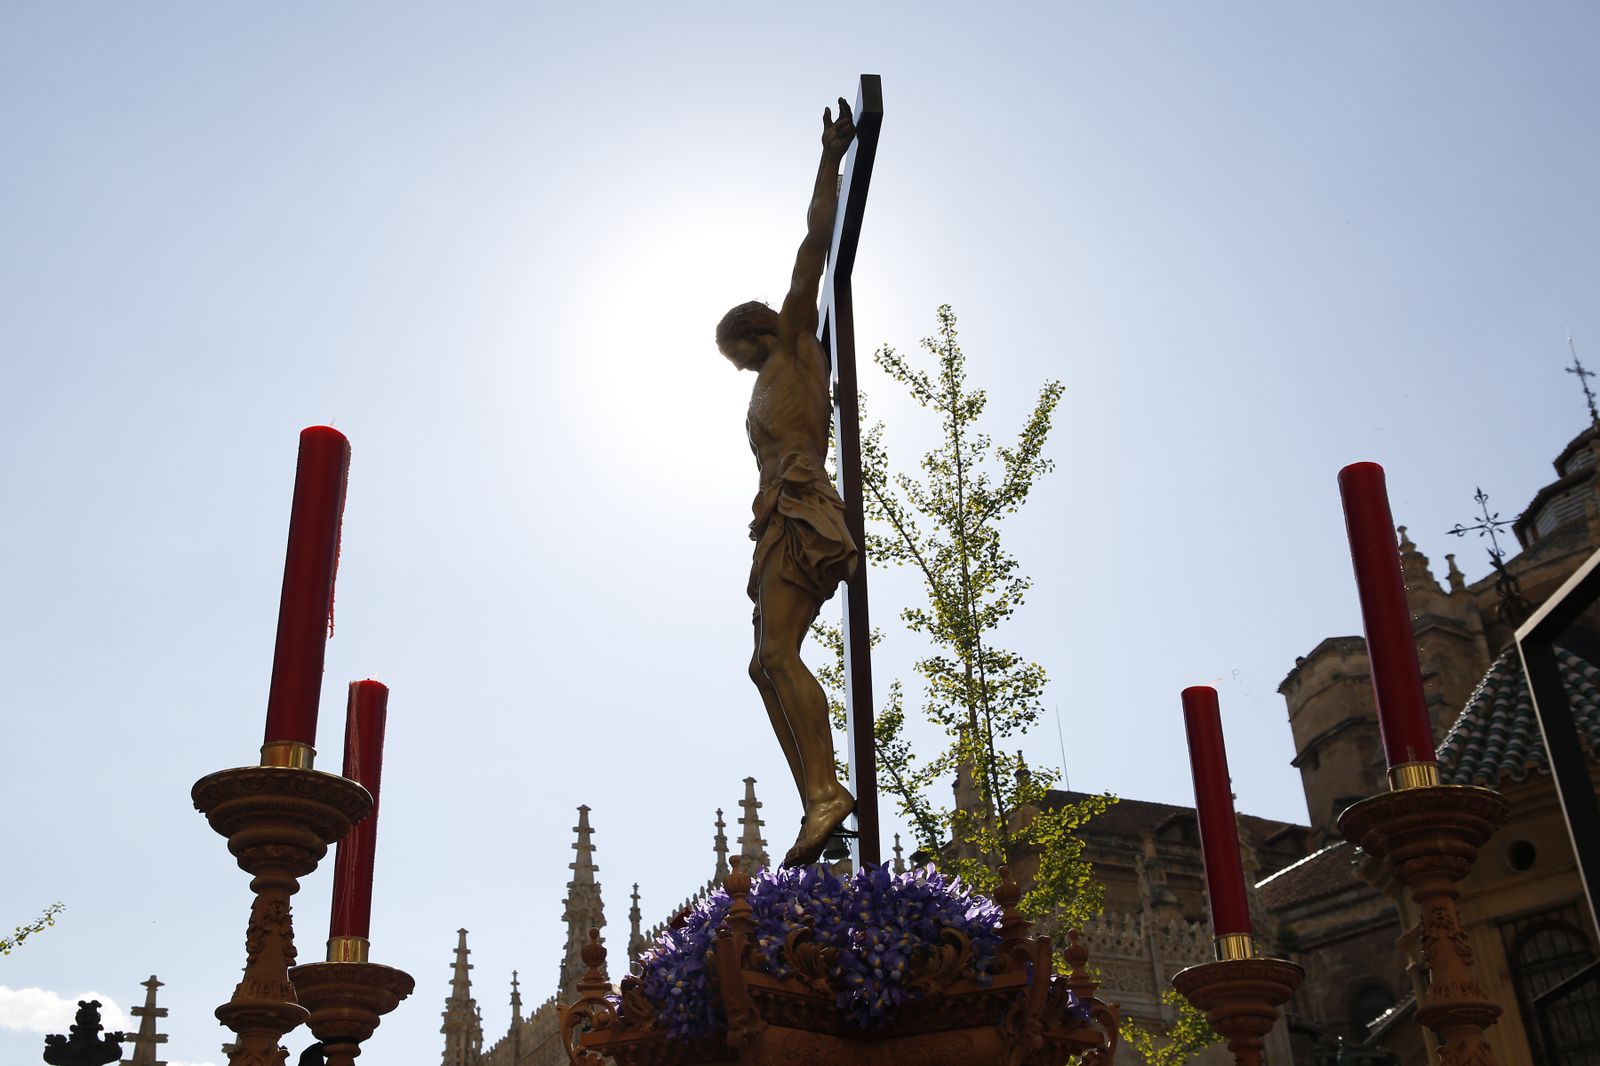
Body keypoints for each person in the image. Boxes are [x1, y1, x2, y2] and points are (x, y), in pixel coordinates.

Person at [716, 98, 858, 868]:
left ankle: (828, 792)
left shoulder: (797, 344)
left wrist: (829, 157)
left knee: (775, 653)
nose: (737, 368)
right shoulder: (768, 374)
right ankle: (817, 795)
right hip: (777, 515)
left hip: (802, 508)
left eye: (735, 354)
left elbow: (815, 243)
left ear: (753, 332)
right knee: (764, 662)